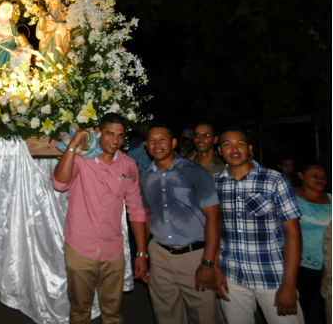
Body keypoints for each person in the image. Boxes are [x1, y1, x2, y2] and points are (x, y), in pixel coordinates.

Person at [51, 112, 148, 324]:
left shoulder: (129, 166)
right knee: (79, 312)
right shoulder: (81, 161)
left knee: (113, 313)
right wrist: (74, 145)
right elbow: (59, 184)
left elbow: (137, 209)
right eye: (110, 134)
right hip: (80, 249)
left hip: (113, 251)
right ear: (98, 133)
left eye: (120, 136)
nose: (116, 141)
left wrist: (141, 252)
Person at [214, 128, 303, 324]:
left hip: (273, 276)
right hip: (232, 276)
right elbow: (214, 231)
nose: (234, 149)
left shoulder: (274, 180)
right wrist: (216, 270)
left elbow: (293, 233)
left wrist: (289, 284)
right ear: (220, 150)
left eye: (240, 144)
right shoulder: (215, 184)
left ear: (250, 149)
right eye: (227, 144)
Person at [139, 124, 222, 324]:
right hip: (160, 255)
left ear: (174, 143)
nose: (156, 144)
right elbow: (147, 216)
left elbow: (214, 218)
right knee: (166, 315)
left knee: (205, 316)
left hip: (194, 256)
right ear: (146, 145)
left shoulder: (195, 172)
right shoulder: (144, 176)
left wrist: (209, 263)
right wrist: (145, 255)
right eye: (152, 140)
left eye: (162, 139)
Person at [294, 163, 330, 323]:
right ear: (301, 175)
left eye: (323, 177)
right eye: (314, 176)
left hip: (328, 268)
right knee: (302, 311)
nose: (320, 180)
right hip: (301, 266)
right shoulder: (291, 198)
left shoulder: (331, 198)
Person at [36, 0, 69, 67]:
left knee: (60, 60)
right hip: (47, 40)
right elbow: (39, 35)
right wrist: (41, 23)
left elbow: (68, 28)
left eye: (57, 3)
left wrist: (57, 25)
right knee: (48, 60)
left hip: (60, 40)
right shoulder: (44, 17)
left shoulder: (64, 16)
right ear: (49, 5)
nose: (55, 4)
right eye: (53, 3)